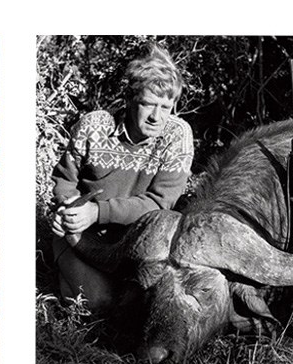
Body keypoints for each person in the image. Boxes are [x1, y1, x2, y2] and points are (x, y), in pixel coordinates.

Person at [50, 44, 194, 313]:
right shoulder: (93, 126)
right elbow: (64, 180)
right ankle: (66, 275)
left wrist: (99, 211)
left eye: (165, 107)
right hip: (82, 236)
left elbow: (160, 205)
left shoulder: (178, 135)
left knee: (141, 309)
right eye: (148, 104)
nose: (156, 116)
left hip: (139, 242)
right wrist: (66, 210)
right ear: (129, 99)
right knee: (101, 306)